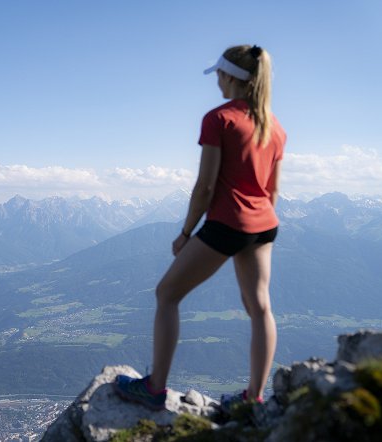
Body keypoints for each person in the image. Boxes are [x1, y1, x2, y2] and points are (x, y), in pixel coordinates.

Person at [114, 44, 286, 411]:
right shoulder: (275, 128)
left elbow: (205, 187)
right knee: (260, 308)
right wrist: (256, 224)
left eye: (220, 75)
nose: (217, 83)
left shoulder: (218, 119)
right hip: (264, 223)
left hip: (228, 222)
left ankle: (155, 388)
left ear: (230, 76)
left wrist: (186, 232)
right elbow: (272, 189)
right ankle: (254, 397)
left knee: (167, 294)